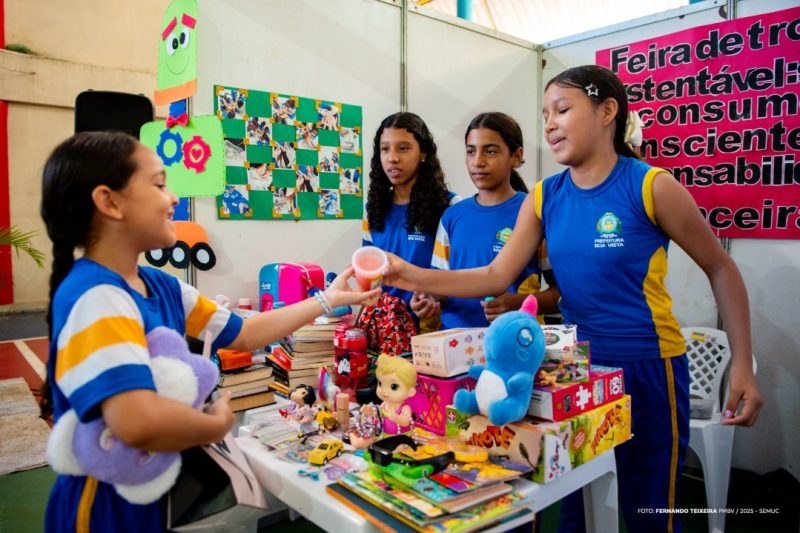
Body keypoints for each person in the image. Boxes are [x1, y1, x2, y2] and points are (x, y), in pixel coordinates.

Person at [383, 65, 762, 533]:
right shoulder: (543, 197)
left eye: (562, 110)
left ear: (607, 112)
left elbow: (721, 267)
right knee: (575, 505)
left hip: (648, 367)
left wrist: (743, 363)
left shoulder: (651, 186)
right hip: (574, 370)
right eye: (545, 114)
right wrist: (407, 272)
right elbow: (494, 274)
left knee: (650, 508)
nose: (549, 123)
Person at [39, 131, 380, 533]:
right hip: (107, 512)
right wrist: (215, 426)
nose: (173, 200)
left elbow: (247, 333)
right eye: (160, 184)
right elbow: (137, 423)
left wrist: (328, 298)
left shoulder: (159, 285)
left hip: (154, 499)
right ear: (109, 201)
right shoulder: (97, 297)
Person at [411, 112, 559, 329]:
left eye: (490, 151)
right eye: (471, 151)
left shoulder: (533, 213)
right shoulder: (452, 216)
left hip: (514, 344)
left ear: (516, 156)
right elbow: (441, 287)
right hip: (455, 344)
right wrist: (426, 300)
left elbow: (560, 294)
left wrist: (518, 304)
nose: (478, 161)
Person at [362, 112, 459, 327]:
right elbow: (370, 278)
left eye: (403, 148)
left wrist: (432, 297)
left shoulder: (451, 207)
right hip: (385, 331)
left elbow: (463, 277)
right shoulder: (372, 209)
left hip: (433, 331)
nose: (392, 158)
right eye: (385, 149)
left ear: (423, 152)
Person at [375, 353, 417, 436]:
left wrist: (396, 418)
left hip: (402, 437)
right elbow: (378, 414)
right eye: (380, 383)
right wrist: (370, 413)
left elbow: (406, 422)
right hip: (385, 435)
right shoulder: (384, 404)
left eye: (393, 386)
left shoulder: (405, 408)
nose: (384, 390)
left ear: (410, 392)